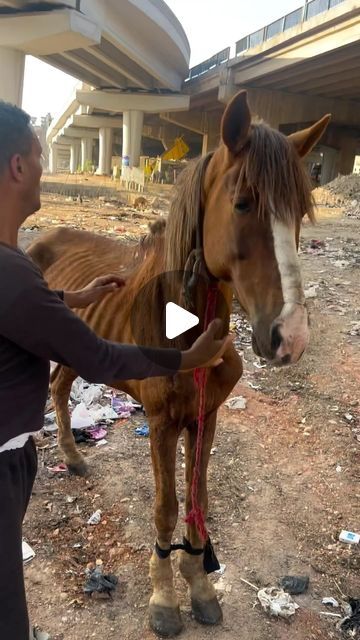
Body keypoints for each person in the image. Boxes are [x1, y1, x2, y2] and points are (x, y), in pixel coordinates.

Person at [0, 101, 231, 640]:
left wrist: (70, 297)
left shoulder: (13, 274)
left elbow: (23, 307)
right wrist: (187, 358)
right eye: (39, 155)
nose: (42, 165)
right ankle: (162, 570)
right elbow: (101, 357)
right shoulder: (13, 272)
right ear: (17, 167)